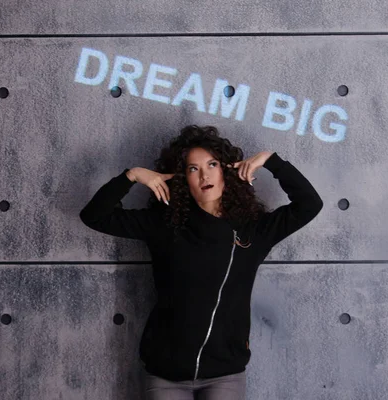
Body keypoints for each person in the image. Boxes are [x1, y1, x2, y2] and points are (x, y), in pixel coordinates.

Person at [79, 125, 323, 399]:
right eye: (193, 169)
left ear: (226, 170)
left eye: (212, 164)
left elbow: (309, 205)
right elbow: (94, 216)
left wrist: (271, 160)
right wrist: (131, 176)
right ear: (182, 178)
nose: (204, 175)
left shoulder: (253, 230)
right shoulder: (163, 225)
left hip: (225, 374)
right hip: (165, 375)